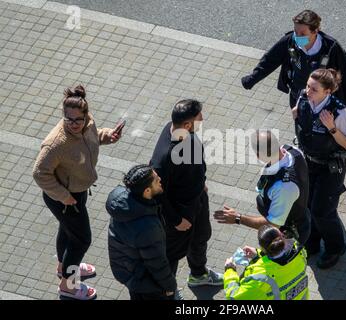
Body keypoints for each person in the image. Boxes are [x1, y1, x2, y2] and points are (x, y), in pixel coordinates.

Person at [32, 84, 121, 300]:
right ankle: (68, 286)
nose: (73, 124)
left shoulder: (87, 123)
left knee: (69, 232)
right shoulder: (56, 143)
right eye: (68, 119)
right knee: (81, 239)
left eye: (77, 120)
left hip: (77, 192)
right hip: (64, 198)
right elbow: (39, 173)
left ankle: (65, 266)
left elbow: (91, 137)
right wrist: (64, 196)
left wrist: (107, 136)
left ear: (85, 115)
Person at [241, 9, 346, 127]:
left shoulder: (331, 49)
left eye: (302, 33)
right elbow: (270, 60)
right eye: (296, 31)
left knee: (323, 132)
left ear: (315, 31)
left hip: (323, 102)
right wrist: (252, 79)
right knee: (302, 128)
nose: (297, 37)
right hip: (299, 98)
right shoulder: (290, 42)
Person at [150, 99, 223, 294]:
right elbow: (156, 194)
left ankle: (198, 274)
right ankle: (167, 292)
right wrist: (176, 220)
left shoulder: (182, 132)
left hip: (197, 201)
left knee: (200, 238)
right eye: (199, 116)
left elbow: (194, 165)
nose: (203, 118)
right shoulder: (164, 158)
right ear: (188, 124)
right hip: (179, 214)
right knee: (171, 255)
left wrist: (201, 183)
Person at [296, 68, 346, 269]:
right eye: (307, 86)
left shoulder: (338, 111)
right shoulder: (304, 98)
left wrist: (331, 128)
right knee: (307, 205)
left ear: (327, 92)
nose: (307, 91)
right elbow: (297, 115)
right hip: (308, 161)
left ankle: (335, 247)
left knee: (323, 211)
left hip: (330, 167)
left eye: (313, 89)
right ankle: (311, 242)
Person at [214, 130, 311, 247]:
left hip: (286, 237)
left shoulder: (283, 187)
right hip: (296, 214)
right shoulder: (293, 150)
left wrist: (238, 218)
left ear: (258, 156)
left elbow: (273, 224)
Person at [106, 165, 177, 300]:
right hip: (144, 281)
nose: (160, 179)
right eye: (156, 180)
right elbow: (157, 263)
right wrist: (170, 286)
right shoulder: (147, 227)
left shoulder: (124, 204)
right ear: (147, 190)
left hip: (129, 272)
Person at [224, 224, 309, 300]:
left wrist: (230, 270)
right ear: (282, 236)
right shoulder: (299, 252)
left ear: (263, 248)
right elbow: (280, 261)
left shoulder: (260, 277)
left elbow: (234, 296)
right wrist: (258, 255)